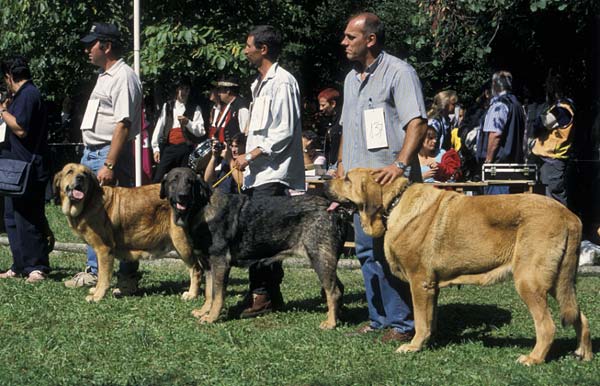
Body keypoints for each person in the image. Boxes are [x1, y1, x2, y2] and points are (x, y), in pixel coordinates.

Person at [338, 12, 428, 343]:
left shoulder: (400, 73)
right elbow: (348, 126)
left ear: (370, 40)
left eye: (350, 37)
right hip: (360, 186)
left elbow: (416, 123)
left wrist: (400, 165)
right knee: (366, 251)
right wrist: (340, 164)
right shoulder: (350, 79)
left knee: (394, 253)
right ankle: (378, 319)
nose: (344, 43)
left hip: (391, 185)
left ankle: (403, 324)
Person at [64, 22, 142, 295]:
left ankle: (127, 277)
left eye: (92, 44)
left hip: (109, 154)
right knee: (89, 214)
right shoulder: (104, 75)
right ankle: (94, 271)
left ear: (106, 46)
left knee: (120, 217)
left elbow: (122, 123)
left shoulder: (124, 76)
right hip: (92, 153)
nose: (87, 49)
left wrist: (109, 163)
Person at [232, 25, 304, 318]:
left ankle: (261, 295)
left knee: (260, 236)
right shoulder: (258, 84)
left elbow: (284, 132)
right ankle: (270, 294)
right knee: (263, 235)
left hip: (273, 173)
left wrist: (251, 155)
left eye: (249, 46)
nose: (245, 50)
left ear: (263, 49)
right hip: (257, 174)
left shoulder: (282, 83)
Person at [0, 56, 52, 283]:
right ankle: (19, 263)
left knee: (29, 217)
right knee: (12, 216)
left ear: (10, 76)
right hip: (14, 168)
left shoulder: (30, 94)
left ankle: (36, 266)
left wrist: (3, 111)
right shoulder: (21, 96)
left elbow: (20, 128)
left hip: (29, 168)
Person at [475, 71, 525, 194]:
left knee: (496, 209)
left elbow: (496, 134)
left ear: (494, 84)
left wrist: (488, 160)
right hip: (514, 167)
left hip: (498, 168)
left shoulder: (499, 105)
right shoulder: (518, 105)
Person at [531, 73, 574, 206]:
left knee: (554, 198)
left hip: (553, 160)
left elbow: (541, 123)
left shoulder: (562, 110)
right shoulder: (563, 108)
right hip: (550, 161)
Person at [151, 78, 205, 183]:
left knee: (184, 180)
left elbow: (201, 131)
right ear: (177, 90)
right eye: (181, 89)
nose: (183, 92)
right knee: (158, 177)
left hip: (185, 148)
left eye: (186, 89)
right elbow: (159, 127)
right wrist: (156, 148)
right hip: (170, 147)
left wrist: (188, 123)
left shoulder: (195, 108)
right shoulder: (168, 106)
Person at [208, 77, 249, 142]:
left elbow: (245, 134)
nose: (218, 94)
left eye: (220, 90)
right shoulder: (231, 105)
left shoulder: (241, 107)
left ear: (228, 91)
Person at [316, 88, 343, 168]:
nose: (320, 108)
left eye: (323, 105)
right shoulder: (327, 119)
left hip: (338, 164)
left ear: (333, 104)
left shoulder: (342, 119)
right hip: (328, 164)